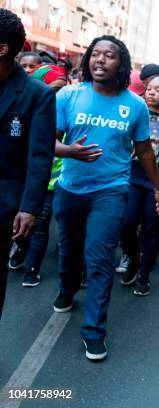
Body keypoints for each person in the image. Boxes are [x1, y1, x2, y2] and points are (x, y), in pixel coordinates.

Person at [52, 35, 159, 361]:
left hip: (112, 190)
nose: (100, 60)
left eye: (109, 56)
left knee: (99, 258)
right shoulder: (69, 95)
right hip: (71, 187)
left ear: (122, 65)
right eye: (95, 54)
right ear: (88, 60)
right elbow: (47, 140)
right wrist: (69, 151)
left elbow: (144, 150)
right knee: (70, 249)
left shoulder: (135, 105)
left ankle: (94, 331)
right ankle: (66, 287)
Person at [0, 9, 56, 317]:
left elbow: (40, 155)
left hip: (5, 205)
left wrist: (29, 207)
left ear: (2, 49)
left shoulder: (37, 95)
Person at [117, 76, 159, 295]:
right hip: (133, 172)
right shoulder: (134, 112)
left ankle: (144, 275)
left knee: (151, 227)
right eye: (149, 89)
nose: (152, 93)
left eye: (158, 90)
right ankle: (133, 258)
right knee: (126, 222)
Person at [18, 64, 68, 287]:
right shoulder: (25, 108)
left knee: (41, 224)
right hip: (24, 181)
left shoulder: (66, 112)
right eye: (53, 89)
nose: (56, 95)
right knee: (23, 226)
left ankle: (32, 268)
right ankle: (20, 250)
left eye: (61, 89)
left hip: (55, 182)